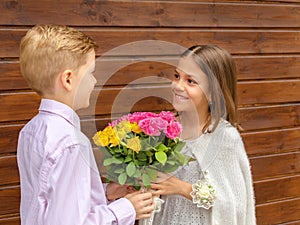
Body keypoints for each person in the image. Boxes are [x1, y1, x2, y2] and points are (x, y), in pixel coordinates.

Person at [17, 24, 154, 225]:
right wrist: (126, 209)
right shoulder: (71, 143)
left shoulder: (30, 130)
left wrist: (105, 192)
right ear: (68, 79)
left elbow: (49, 202)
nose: (94, 80)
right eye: (90, 72)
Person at [151, 45, 256, 225]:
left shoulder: (223, 137)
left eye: (190, 81)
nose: (177, 86)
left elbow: (234, 204)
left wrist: (182, 188)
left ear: (213, 92)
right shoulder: (167, 129)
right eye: (177, 76)